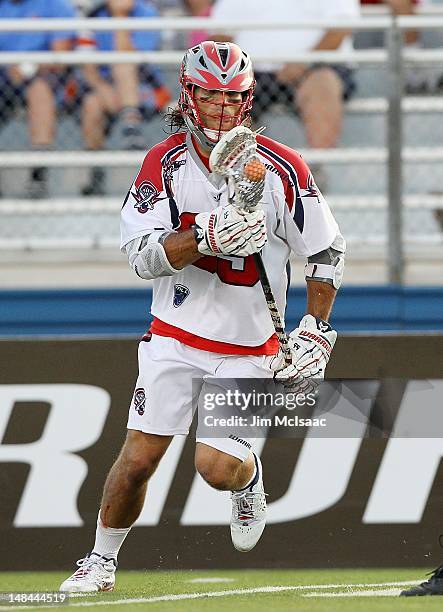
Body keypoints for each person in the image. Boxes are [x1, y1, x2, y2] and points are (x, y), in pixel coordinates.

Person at [59, 41, 346, 593]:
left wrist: (317, 327)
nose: (220, 107)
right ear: (188, 95)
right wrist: (205, 236)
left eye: (231, 97)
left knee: (216, 468)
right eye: (210, 95)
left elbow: (327, 253)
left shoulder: (283, 167)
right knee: (138, 458)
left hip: (252, 346)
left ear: (248, 100)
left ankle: (248, 479)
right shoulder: (162, 164)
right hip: (176, 334)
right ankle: (100, 562)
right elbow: (143, 258)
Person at [211, 0, 359, 189]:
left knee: (323, 84)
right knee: (224, 93)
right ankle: (243, 173)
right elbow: (220, 34)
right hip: (252, 71)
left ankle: (313, 174)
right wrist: (238, 68)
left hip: (316, 67)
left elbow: (340, 29)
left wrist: (304, 62)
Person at [78, 0, 171, 195]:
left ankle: (131, 124)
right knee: (91, 104)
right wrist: (103, 88)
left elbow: (130, 55)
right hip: (107, 90)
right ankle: (97, 173)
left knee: (123, 64)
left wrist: (120, 18)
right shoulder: (93, 15)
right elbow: (88, 67)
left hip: (145, 89)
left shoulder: (147, 13)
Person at [0, 0, 75, 198]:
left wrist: (26, 67)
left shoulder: (56, 6)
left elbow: (60, 57)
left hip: (42, 76)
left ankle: (38, 174)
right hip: (3, 78)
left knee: (39, 90)